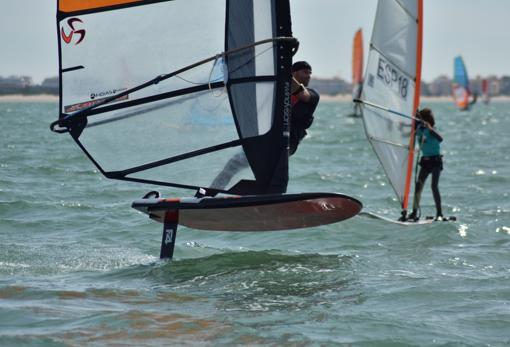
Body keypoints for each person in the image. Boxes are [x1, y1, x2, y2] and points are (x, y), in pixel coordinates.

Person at [209, 61, 320, 191]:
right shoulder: (276, 91)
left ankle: (269, 196)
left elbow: (303, 95)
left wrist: (282, 71)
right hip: (266, 138)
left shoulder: (312, 95)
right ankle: (210, 193)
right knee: (233, 164)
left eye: (310, 73)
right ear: (294, 73)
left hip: (286, 143)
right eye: (305, 72)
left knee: (269, 172)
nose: (309, 76)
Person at [407, 108, 444, 221]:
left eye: (421, 118)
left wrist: (430, 128)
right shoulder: (418, 130)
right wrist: (413, 131)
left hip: (435, 161)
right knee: (418, 186)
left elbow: (440, 139)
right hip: (425, 161)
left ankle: (439, 213)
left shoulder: (432, 130)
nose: (419, 120)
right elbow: (412, 145)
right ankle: (414, 212)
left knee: (434, 186)